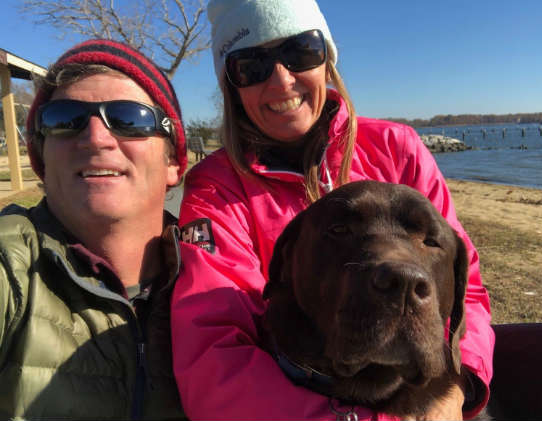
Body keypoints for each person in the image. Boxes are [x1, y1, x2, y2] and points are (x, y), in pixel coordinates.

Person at [171, 0, 494, 419]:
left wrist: (456, 387)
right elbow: (212, 350)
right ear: (232, 85)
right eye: (251, 65)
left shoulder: (398, 149)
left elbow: (463, 288)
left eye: (300, 51)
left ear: (327, 61)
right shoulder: (217, 187)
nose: (282, 80)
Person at [0, 39, 188, 420]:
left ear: (174, 163)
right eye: (64, 120)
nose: (96, 137)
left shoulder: (222, 279)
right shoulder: (11, 268)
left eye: (129, 118)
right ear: (41, 160)